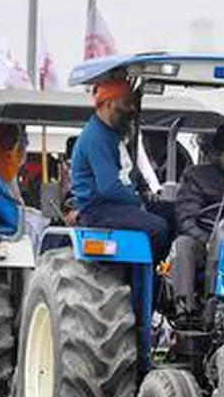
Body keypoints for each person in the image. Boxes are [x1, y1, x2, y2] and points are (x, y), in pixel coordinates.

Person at [71, 76, 171, 260]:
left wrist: (148, 193)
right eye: (126, 103)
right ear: (108, 103)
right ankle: (151, 281)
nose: (131, 109)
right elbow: (109, 187)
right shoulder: (96, 137)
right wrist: (138, 200)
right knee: (158, 228)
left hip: (117, 206)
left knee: (172, 213)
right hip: (100, 210)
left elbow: (128, 170)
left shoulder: (113, 134)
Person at [169, 120, 224, 314]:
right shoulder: (198, 176)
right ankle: (185, 309)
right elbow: (185, 218)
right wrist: (209, 241)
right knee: (184, 245)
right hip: (207, 241)